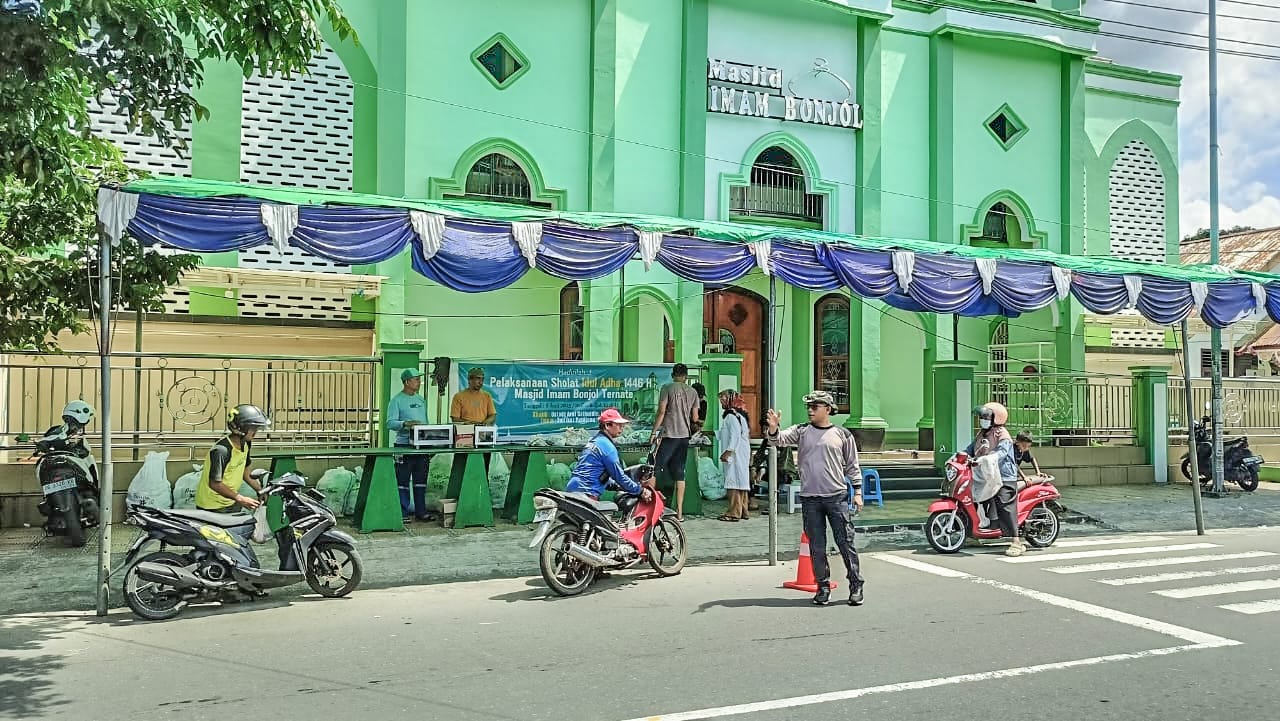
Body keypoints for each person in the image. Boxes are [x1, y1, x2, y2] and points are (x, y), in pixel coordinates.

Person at [766, 391, 865, 607]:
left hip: (836, 497)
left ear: (827, 409)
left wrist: (857, 492)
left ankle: (856, 584)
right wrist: (773, 427)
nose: (810, 410)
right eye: (808, 407)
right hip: (810, 498)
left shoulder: (842, 435)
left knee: (845, 542)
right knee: (816, 546)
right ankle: (823, 587)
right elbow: (777, 440)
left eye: (815, 406)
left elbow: (852, 466)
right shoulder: (801, 431)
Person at [966, 403, 1024, 557]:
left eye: (985, 417)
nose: (982, 420)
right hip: (985, 475)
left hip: (1003, 476)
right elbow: (971, 449)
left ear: (996, 418)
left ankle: (1016, 542)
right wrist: (959, 455)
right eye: (982, 417)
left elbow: (1002, 452)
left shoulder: (1002, 434)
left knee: (1005, 505)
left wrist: (989, 458)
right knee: (973, 498)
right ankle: (975, 533)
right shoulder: (982, 433)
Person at [566, 409, 654, 509]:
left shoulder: (594, 442)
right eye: (618, 425)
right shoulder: (607, 446)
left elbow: (596, 474)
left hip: (573, 490)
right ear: (607, 425)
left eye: (622, 425)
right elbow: (619, 477)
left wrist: (616, 486)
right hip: (587, 493)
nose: (622, 428)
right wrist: (641, 491)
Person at [195, 404, 270, 513]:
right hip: (212, 506)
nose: (255, 432)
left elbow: (246, 473)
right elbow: (214, 484)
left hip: (230, 500)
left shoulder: (246, 444)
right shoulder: (221, 450)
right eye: (253, 428)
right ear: (241, 428)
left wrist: (260, 490)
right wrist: (241, 499)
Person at [650, 363, 700, 521]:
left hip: (669, 435)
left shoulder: (667, 388)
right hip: (684, 436)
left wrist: (654, 432)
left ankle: (650, 507)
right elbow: (695, 418)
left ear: (673, 375)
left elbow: (661, 411)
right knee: (679, 473)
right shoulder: (693, 392)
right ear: (686, 376)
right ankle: (679, 512)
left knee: (654, 467)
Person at [388, 368, 435, 522]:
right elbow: (390, 423)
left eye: (419, 379)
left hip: (421, 447)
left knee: (420, 481)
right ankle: (402, 513)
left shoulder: (421, 400)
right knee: (402, 482)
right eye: (416, 379)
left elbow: (425, 422)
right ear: (407, 382)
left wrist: (429, 442)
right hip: (404, 446)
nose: (419, 382)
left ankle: (421, 512)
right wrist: (405, 424)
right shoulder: (396, 400)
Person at [716, 390, 752, 522]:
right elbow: (728, 433)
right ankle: (744, 510)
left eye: (723, 399)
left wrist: (728, 451)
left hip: (735, 454)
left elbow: (735, 435)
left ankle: (733, 513)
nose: (721, 402)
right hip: (741, 452)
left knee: (733, 481)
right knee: (741, 481)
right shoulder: (739, 414)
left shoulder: (731, 416)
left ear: (730, 400)